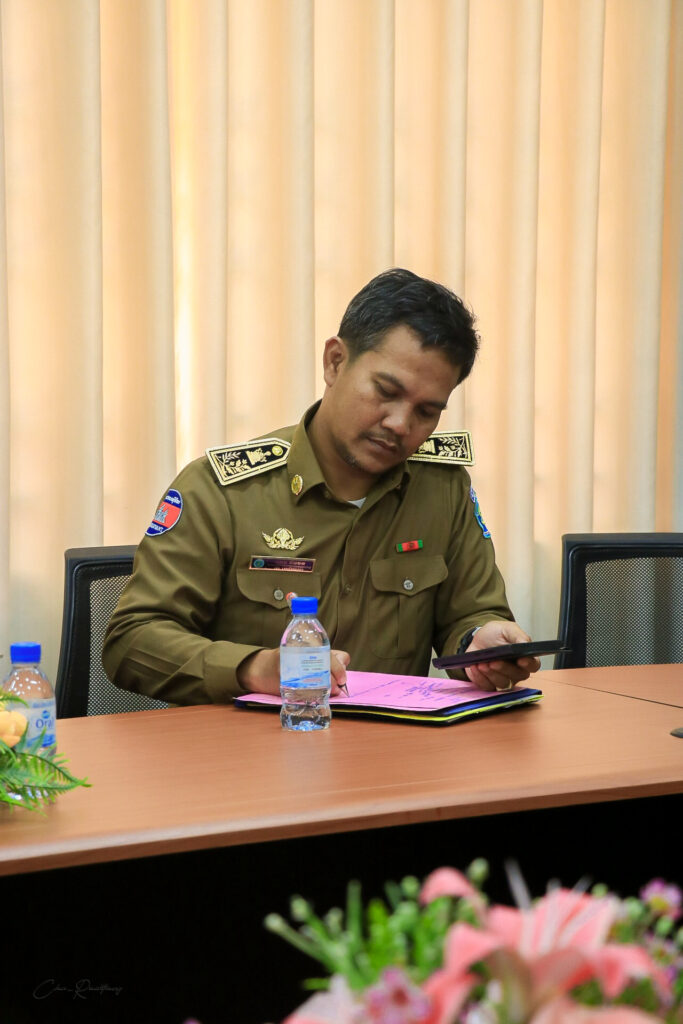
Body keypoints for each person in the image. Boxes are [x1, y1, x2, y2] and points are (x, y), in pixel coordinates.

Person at [103, 268, 540, 705]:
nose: (400, 424)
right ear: (335, 362)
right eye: (386, 391)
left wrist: (478, 643)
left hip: (394, 743)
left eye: (426, 412)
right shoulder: (223, 492)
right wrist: (254, 668)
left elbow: (471, 613)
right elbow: (132, 639)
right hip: (254, 741)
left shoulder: (442, 489)